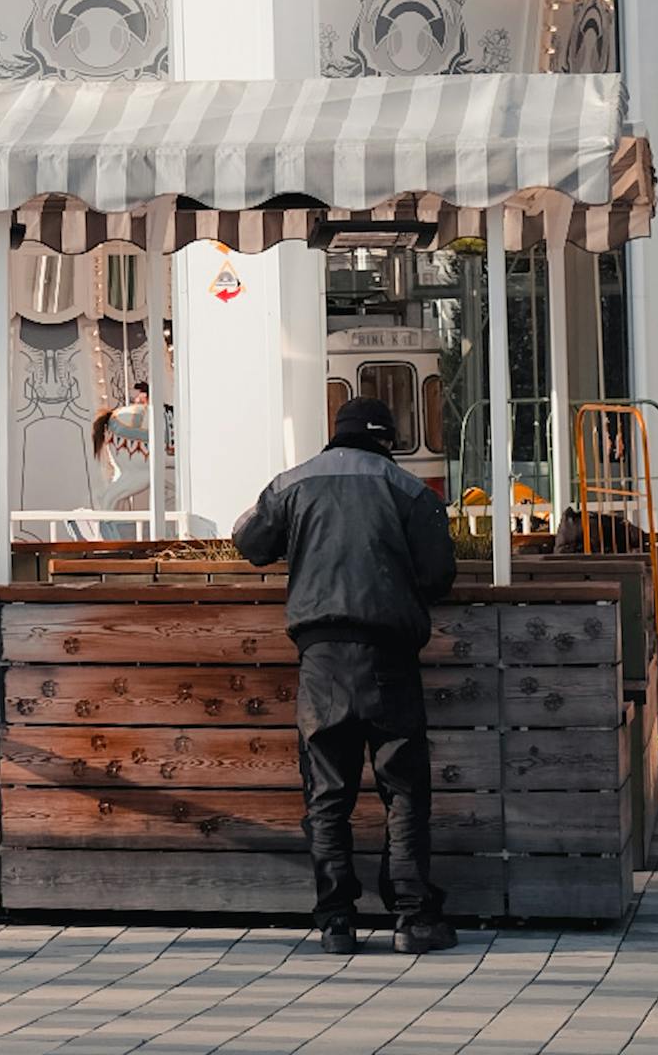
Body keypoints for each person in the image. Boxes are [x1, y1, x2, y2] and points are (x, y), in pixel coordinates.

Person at [232, 393, 459, 956]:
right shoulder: (410, 491)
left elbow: (247, 541)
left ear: (336, 434)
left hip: (321, 658)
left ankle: (336, 921)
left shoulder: (293, 483)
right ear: (387, 440)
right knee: (403, 789)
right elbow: (438, 576)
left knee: (327, 794)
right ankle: (413, 919)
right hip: (389, 658)